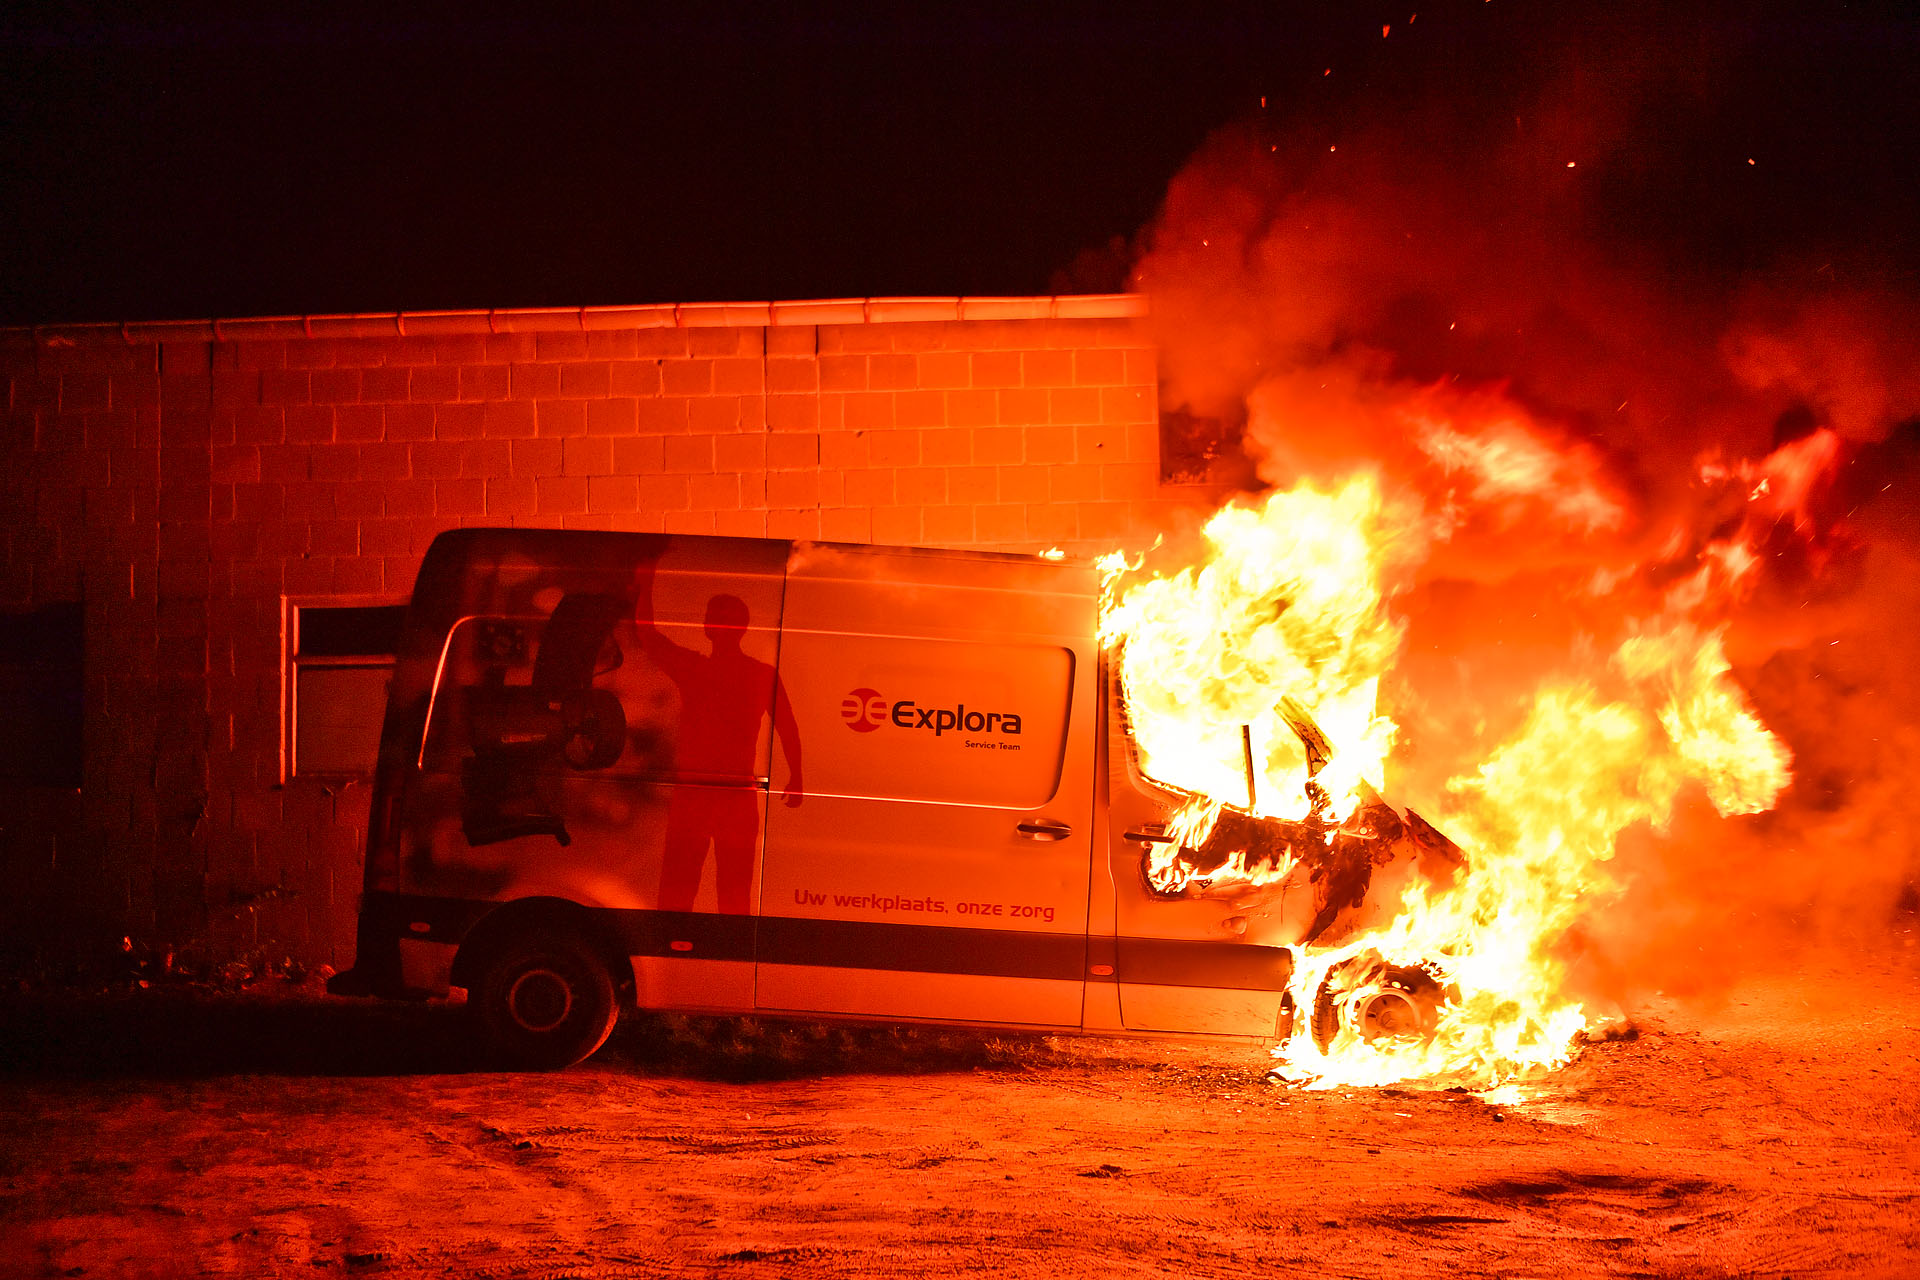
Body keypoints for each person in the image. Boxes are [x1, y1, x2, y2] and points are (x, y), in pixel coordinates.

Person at [632, 571, 802, 915]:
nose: (713, 624)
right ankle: (723, 946)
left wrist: (646, 583)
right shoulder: (756, 674)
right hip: (729, 796)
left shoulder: (696, 669)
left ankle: (675, 941)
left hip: (699, 792)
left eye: (716, 619)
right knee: (730, 894)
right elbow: (788, 728)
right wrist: (795, 776)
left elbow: (647, 635)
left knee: (680, 892)